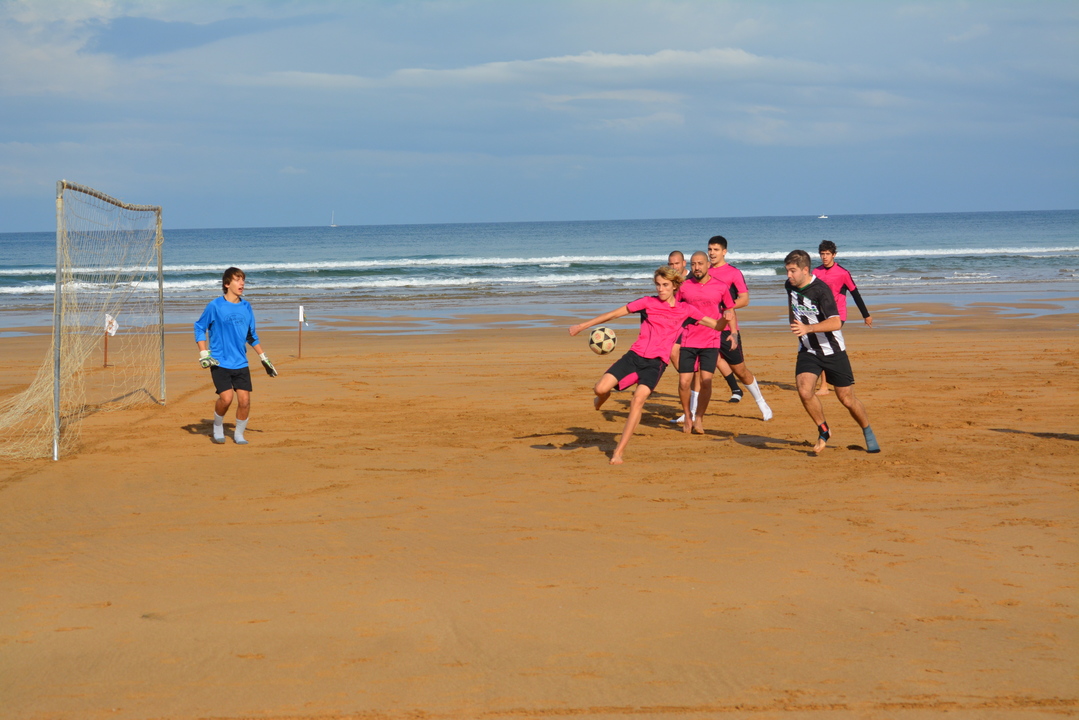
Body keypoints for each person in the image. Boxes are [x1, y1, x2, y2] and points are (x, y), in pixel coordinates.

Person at [569, 266, 728, 465]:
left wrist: (725, 318)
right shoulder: (647, 302)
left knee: (637, 401)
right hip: (633, 357)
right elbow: (615, 314)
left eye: (665, 285)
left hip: (655, 364)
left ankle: (618, 452)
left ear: (675, 286)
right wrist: (582, 326)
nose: (661, 289)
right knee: (600, 389)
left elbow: (716, 326)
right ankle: (603, 397)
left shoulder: (685, 310)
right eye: (658, 285)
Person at [784, 249, 880, 455]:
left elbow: (836, 322)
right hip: (808, 349)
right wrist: (794, 321)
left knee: (847, 399)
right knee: (804, 390)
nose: (788, 275)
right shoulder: (789, 285)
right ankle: (824, 430)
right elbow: (792, 304)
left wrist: (808, 328)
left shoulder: (821, 290)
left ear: (805, 270)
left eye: (792, 271)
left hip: (833, 350)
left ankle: (867, 430)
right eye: (787, 271)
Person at [194, 267, 278, 445]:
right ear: (227, 284)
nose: (242, 283)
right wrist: (203, 352)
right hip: (219, 361)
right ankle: (218, 426)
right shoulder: (215, 306)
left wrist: (264, 358)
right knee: (226, 399)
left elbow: (251, 336)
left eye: (243, 280)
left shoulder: (246, 307)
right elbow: (200, 327)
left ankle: (239, 434)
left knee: (245, 401)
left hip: (240, 362)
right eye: (237, 280)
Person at [707, 235, 772, 421]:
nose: (712, 253)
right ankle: (690, 412)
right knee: (698, 371)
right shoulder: (703, 271)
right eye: (710, 249)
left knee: (740, 370)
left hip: (727, 329)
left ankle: (761, 403)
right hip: (705, 328)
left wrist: (725, 306)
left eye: (716, 250)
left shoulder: (733, 273)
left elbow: (744, 299)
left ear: (724, 251)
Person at [674, 252, 736, 435]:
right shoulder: (684, 286)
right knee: (684, 382)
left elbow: (729, 310)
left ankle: (699, 417)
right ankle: (688, 415)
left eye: (700, 263)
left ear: (708, 264)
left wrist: (733, 333)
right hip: (688, 339)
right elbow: (675, 310)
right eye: (693, 264)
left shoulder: (721, 287)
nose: (697, 267)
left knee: (706, 382)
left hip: (711, 340)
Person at [813, 240, 873, 396]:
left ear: (834, 254)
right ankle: (830, 382)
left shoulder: (843, 273)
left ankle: (827, 384)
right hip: (820, 314)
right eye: (822, 254)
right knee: (823, 346)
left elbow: (855, 294)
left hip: (838, 315)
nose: (824, 257)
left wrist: (866, 315)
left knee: (825, 345)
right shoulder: (816, 272)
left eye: (827, 254)